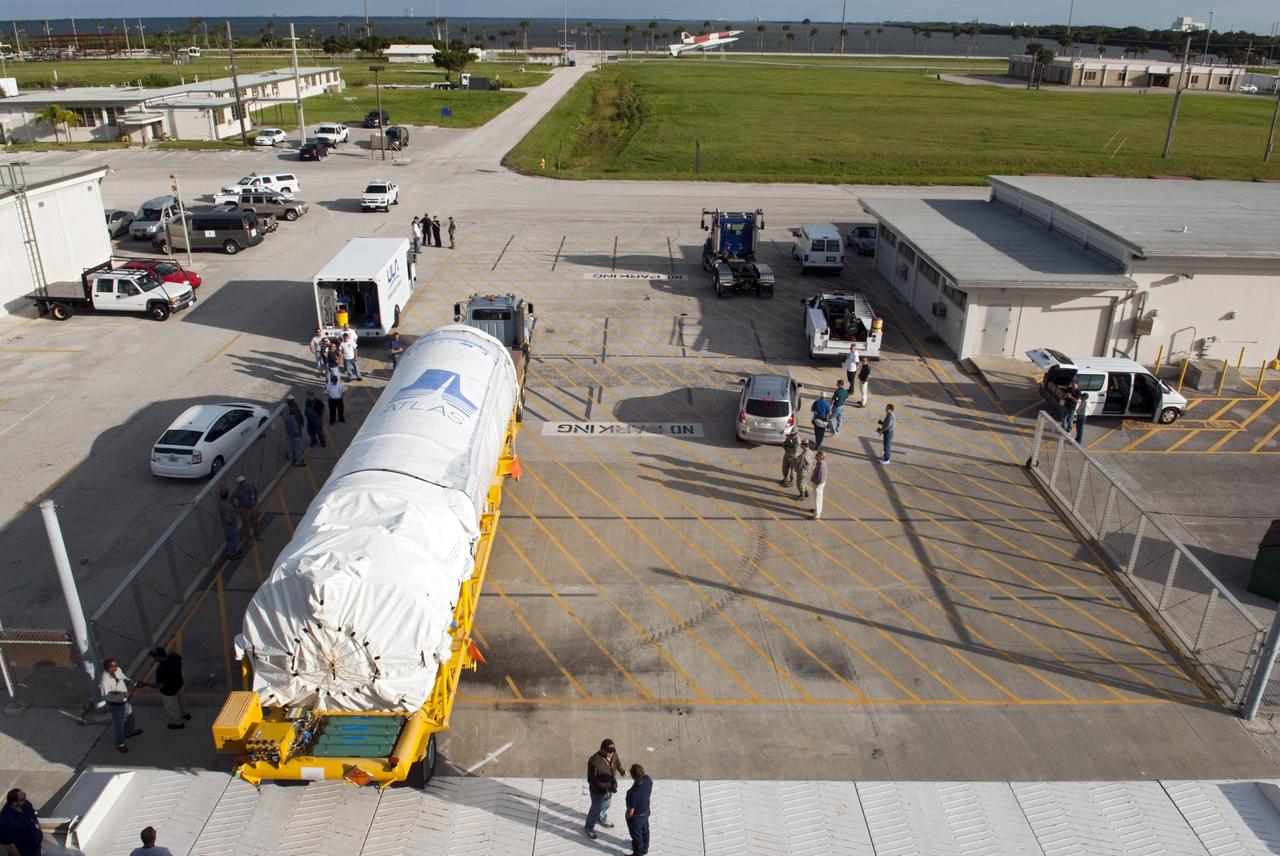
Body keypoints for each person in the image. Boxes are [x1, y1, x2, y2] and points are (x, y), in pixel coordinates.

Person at [99, 658, 146, 753]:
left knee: (130, 717)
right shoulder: (104, 681)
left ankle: (129, 732)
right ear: (109, 668)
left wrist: (131, 682)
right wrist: (121, 697)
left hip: (125, 700)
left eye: (116, 664)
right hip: (117, 705)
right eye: (114, 666)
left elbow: (123, 677)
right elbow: (106, 696)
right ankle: (120, 743)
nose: (117, 667)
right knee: (119, 724)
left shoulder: (117, 670)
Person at [584, 738, 624, 840]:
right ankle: (589, 827)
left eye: (612, 751)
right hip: (598, 791)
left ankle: (602, 818)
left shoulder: (613, 754)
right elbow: (591, 780)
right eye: (608, 752)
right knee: (595, 809)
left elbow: (617, 763)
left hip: (610, 788)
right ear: (602, 749)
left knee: (606, 804)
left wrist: (621, 770)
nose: (611, 754)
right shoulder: (594, 761)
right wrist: (608, 785)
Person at [149, 647, 189, 731]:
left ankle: (178, 723)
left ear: (158, 657)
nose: (153, 658)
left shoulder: (160, 669)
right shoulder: (175, 657)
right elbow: (178, 657)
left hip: (169, 691)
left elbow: (160, 686)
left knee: (173, 708)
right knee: (182, 701)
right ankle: (185, 714)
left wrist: (145, 684)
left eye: (154, 656)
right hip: (179, 684)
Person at [0, 788, 41, 856]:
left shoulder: (26, 804)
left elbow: (34, 818)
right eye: (22, 799)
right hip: (24, 852)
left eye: (24, 795)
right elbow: (9, 845)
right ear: (14, 803)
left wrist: (39, 832)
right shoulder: (5, 820)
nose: (25, 800)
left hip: (35, 846)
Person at [624, 764, 652, 856]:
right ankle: (645, 849)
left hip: (636, 818)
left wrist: (627, 817)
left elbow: (631, 811)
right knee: (645, 831)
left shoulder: (632, 793)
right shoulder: (648, 779)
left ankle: (638, 854)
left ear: (633, 776)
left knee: (637, 838)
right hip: (646, 812)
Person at [230, 475, 259, 542]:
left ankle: (256, 535)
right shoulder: (237, 491)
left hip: (252, 507)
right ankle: (248, 539)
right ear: (239, 483)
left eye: (243, 481)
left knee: (255, 522)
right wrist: (238, 508)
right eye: (241, 482)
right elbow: (231, 500)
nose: (243, 483)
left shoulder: (250, 486)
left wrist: (255, 500)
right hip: (245, 510)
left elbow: (256, 491)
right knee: (246, 525)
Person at [216, 486, 242, 561]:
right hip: (230, 525)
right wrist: (234, 522)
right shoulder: (227, 506)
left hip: (225, 525)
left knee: (229, 539)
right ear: (227, 494)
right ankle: (231, 553)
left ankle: (231, 551)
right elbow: (227, 519)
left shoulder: (221, 502)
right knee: (234, 540)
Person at [284, 396, 305, 466]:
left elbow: (299, 413)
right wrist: (298, 433)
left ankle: (294, 457)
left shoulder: (293, 406)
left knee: (294, 446)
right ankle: (298, 461)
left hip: (292, 432)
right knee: (297, 447)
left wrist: (302, 421)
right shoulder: (292, 419)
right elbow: (295, 429)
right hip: (295, 434)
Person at [810, 451, 828, 520]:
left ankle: (816, 515)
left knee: (818, 499)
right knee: (818, 498)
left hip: (818, 484)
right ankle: (817, 510)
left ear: (820, 457)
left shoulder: (821, 466)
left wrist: (816, 484)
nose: (816, 456)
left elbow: (820, 477)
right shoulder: (821, 463)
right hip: (820, 483)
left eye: (817, 455)